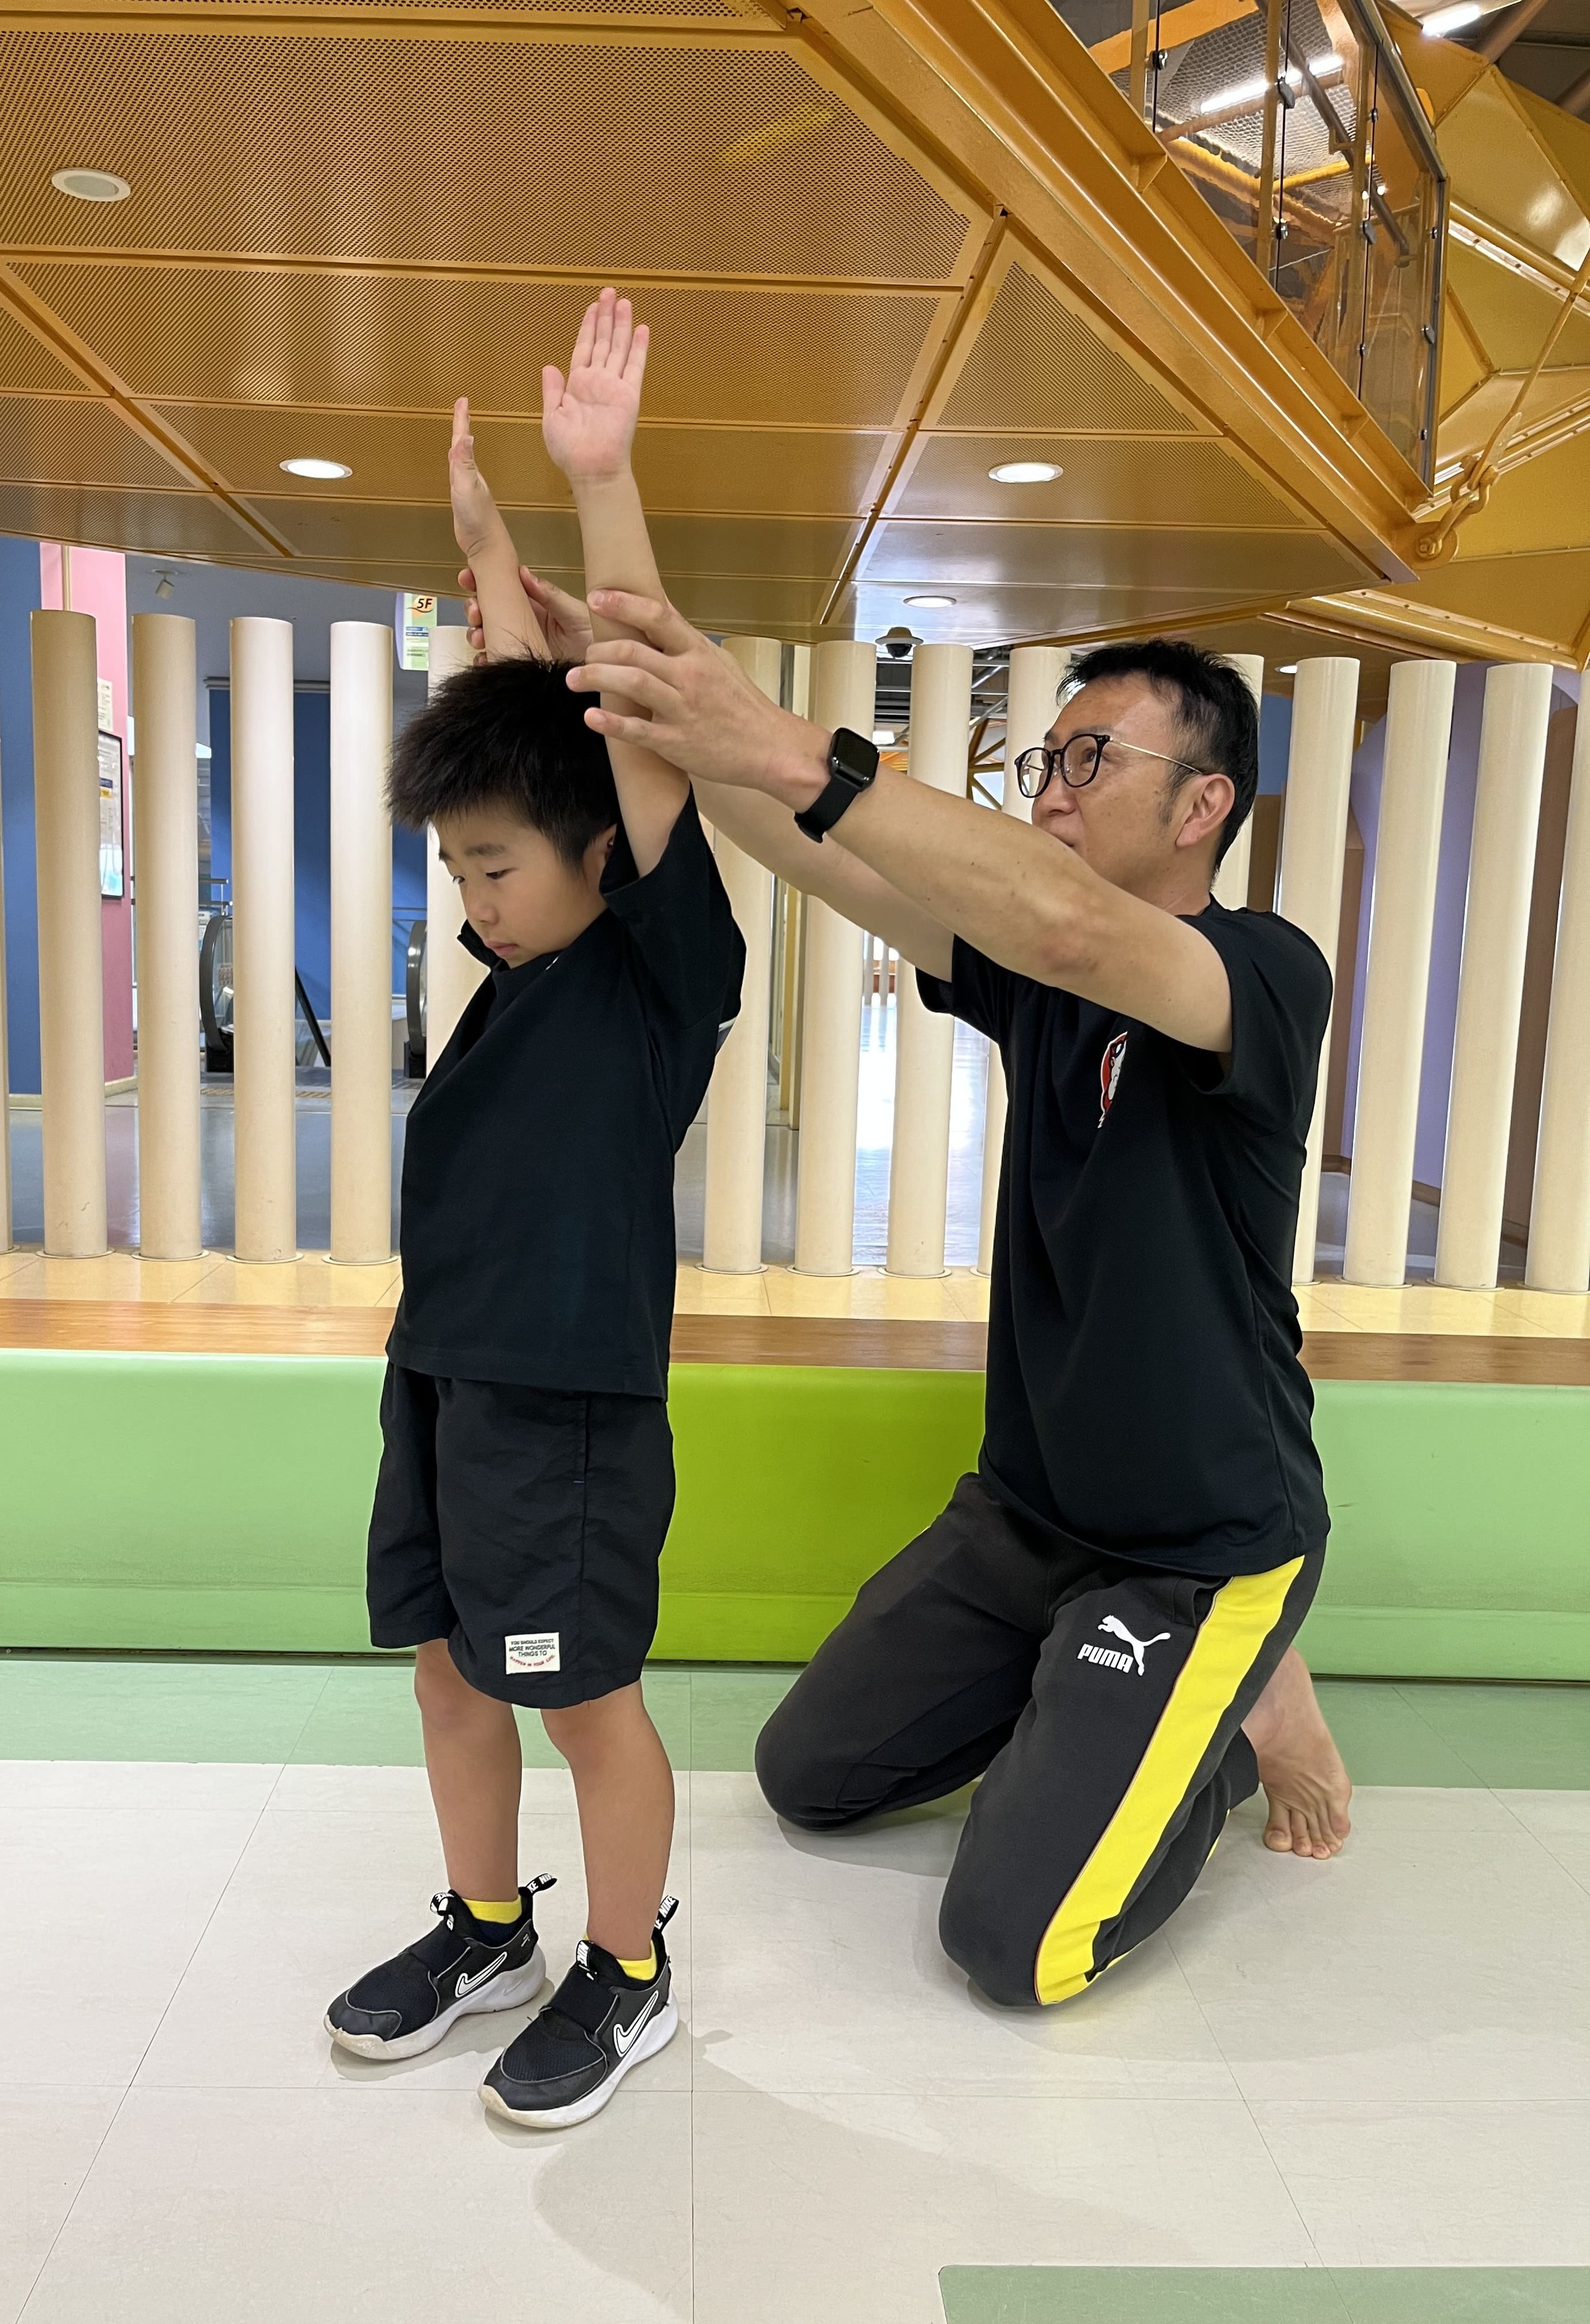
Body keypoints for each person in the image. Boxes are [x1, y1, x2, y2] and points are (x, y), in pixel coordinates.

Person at [554, 520, 1353, 2006]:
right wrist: (648, 691)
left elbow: (1071, 924)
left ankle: (1231, 1715)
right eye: (1047, 759)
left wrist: (786, 740)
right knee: (810, 1777)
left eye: (1091, 759)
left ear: (1205, 805)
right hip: (1027, 1521)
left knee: (1015, 1948)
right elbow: (808, 843)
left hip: (1198, 1547)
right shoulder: (1035, 978)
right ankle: (1135, 1705)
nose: (1050, 789)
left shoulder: (1260, 973)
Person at [324, 295, 744, 2118]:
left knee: (581, 1700)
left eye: (495, 866)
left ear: (600, 854)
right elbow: (533, 730)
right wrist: (489, 557)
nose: (474, 899)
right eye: (456, 869)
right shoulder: (525, 970)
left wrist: (599, 485)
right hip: (444, 1372)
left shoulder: (661, 978)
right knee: (446, 1673)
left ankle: (629, 1972)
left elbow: (627, 724)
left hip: (566, 1409)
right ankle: (490, 1926)